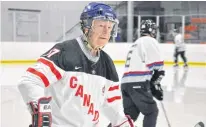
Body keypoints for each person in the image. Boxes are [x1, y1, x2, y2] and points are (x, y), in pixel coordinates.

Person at [18, 2, 134, 127]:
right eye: (101, 25)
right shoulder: (65, 51)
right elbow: (29, 81)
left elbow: (113, 108)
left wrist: (124, 123)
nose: (106, 32)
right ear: (86, 27)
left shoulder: (107, 64)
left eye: (110, 27)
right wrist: (41, 112)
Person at [108, 19, 165, 127]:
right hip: (137, 83)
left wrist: (153, 85)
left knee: (129, 116)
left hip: (126, 84)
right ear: (152, 31)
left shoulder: (136, 43)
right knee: (151, 111)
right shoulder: (149, 41)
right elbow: (158, 67)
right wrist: (156, 85)